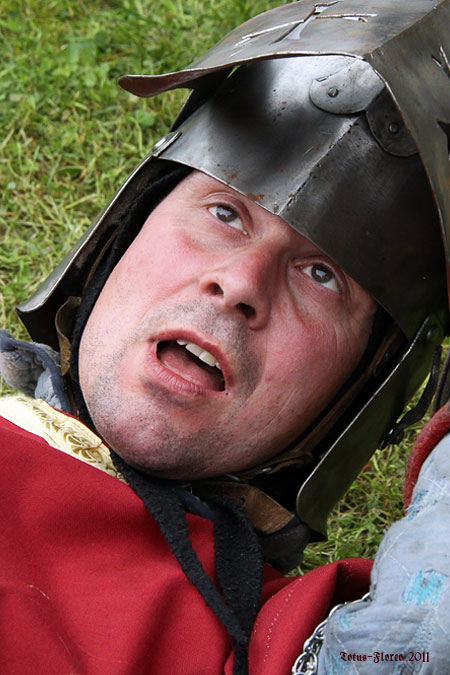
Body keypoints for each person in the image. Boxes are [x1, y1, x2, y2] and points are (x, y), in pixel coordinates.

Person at [1, 0, 449, 672]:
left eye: (322, 275)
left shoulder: (273, 645)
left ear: (359, 393)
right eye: (224, 213)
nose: (240, 282)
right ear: (123, 231)